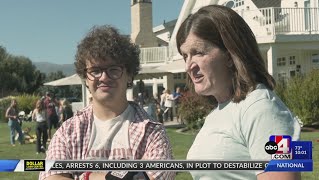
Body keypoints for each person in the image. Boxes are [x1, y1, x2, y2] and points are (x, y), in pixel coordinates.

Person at [176, 5, 301, 180]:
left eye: (198, 53)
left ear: (229, 55)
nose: (189, 66)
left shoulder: (263, 108)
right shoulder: (218, 113)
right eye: (185, 56)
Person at [40, 25, 175, 180]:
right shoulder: (68, 131)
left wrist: (87, 176)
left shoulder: (152, 133)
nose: (104, 77)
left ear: (129, 75)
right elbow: (52, 176)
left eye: (114, 69)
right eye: (95, 70)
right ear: (85, 78)